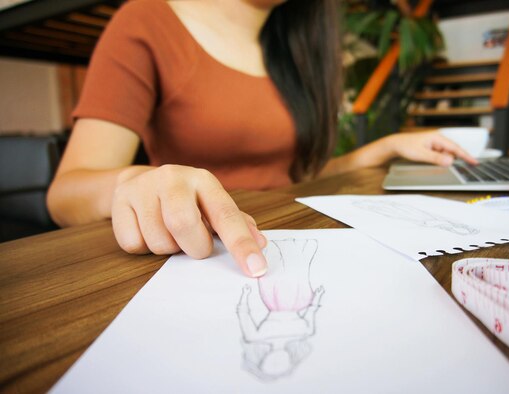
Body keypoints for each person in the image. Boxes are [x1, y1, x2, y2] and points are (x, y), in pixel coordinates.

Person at [47, 0, 476, 279]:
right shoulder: (147, 21)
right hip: (205, 263)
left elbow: (294, 175)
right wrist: (141, 182)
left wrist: (386, 146)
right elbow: (66, 195)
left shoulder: (300, 51)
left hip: (297, 247)